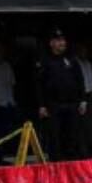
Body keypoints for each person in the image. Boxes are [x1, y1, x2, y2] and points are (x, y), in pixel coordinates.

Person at [36, 29, 87, 161]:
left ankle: (72, 166)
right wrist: (42, 105)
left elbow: (80, 80)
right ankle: (56, 165)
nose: (62, 43)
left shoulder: (71, 60)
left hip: (72, 105)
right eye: (58, 41)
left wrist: (83, 100)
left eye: (63, 40)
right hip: (54, 105)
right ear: (51, 43)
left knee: (72, 136)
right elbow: (39, 85)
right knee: (55, 137)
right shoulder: (45, 61)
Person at [76, 40, 92, 157]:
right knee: (81, 126)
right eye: (82, 51)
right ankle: (82, 151)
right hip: (80, 97)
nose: (84, 53)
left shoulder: (88, 63)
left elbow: (90, 78)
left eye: (85, 51)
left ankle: (89, 149)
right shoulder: (75, 64)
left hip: (89, 96)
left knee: (90, 125)